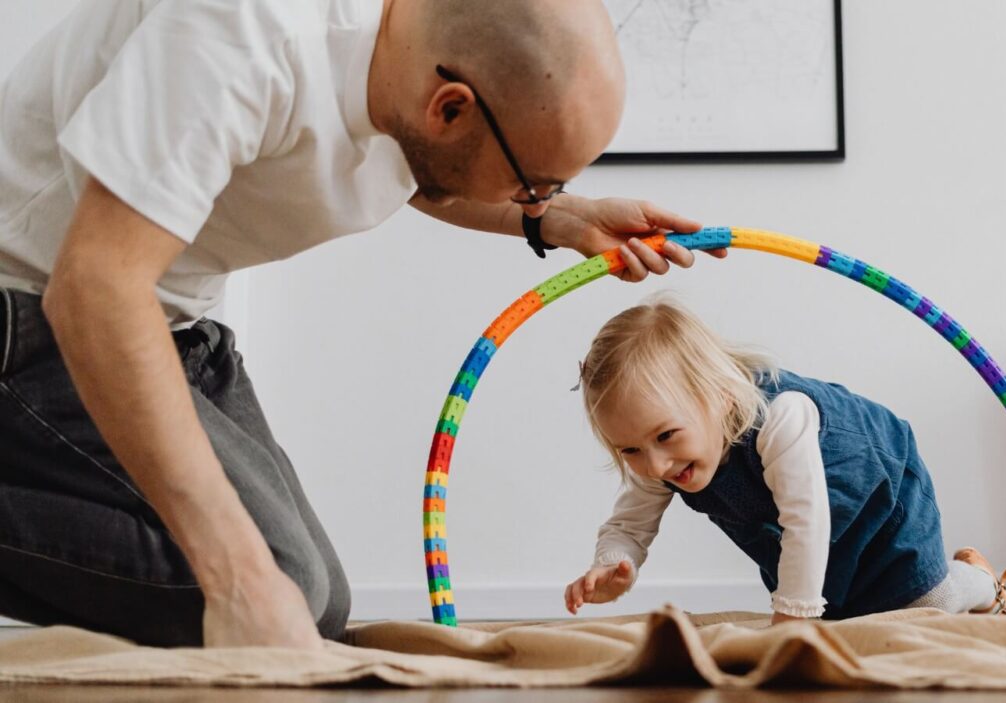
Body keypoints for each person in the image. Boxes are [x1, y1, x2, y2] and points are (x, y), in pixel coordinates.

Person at [0, 0, 719, 648]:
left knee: (317, 603)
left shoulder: (409, 58)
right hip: (39, 310)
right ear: (449, 108)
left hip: (171, 321)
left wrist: (555, 217)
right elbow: (94, 288)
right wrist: (237, 579)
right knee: (261, 584)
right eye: (533, 183)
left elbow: (418, 169)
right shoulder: (242, 35)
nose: (533, 198)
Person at [563, 299, 1006, 624]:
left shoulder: (782, 417)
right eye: (630, 451)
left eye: (665, 436)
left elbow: (806, 521)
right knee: (848, 618)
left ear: (718, 398)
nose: (656, 464)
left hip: (884, 491)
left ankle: (976, 579)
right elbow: (629, 525)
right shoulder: (662, 454)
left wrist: (793, 617)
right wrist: (613, 562)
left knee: (923, 606)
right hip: (811, 529)